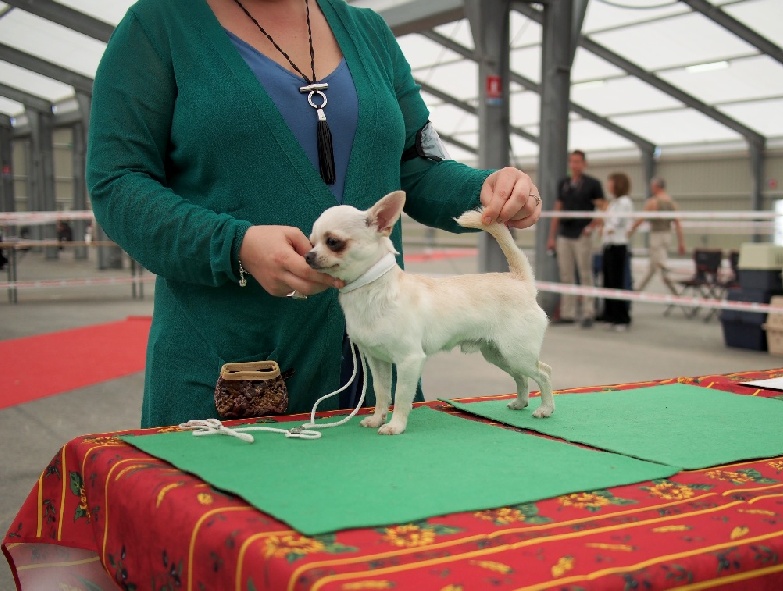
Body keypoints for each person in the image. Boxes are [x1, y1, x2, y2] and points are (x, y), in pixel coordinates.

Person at [86, 0, 543, 429]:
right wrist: (234, 245)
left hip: (376, 375)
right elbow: (117, 181)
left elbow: (417, 165)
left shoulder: (370, 33)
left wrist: (483, 189)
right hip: (230, 374)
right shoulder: (157, 26)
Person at [546, 149, 605, 328]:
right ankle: (567, 313)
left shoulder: (593, 184)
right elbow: (557, 209)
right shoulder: (564, 184)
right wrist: (552, 236)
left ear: (584, 164)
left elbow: (604, 208)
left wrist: (591, 227)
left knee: (585, 273)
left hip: (582, 235)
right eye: (572, 161)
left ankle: (588, 312)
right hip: (565, 234)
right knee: (566, 274)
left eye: (577, 161)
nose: (574, 165)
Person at [629, 177, 686, 294]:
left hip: (656, 237)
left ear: (656, 187)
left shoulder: (653, 202)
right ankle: (637, 290)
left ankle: (677, 292)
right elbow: (678, 224)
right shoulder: (671, 202)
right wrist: (681, 242)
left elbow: (641, 219)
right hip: (667, 237)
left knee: (660, 267)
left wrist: (630, 231)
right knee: (653, 266)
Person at [599, 173, 633, 331]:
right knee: (608, 282)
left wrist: (606, 228)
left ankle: (622, 318)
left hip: (618, 246)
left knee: (618, 282)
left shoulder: (625, 202)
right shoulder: (613, 202)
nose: (608, 185)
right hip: (608, 245)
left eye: (610, 182)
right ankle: (610, 315)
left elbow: (616, 222)